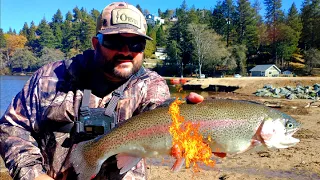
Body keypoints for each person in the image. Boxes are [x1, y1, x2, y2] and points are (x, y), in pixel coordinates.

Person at [0, 2, 203, 180]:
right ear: (96, 43)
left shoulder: (150, 85)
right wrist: (33, 175)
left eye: (136, 43)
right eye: (114, 41)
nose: (125, 51)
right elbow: (12, 127)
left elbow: (161, 111)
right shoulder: (51, 78)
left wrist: (188, 114)